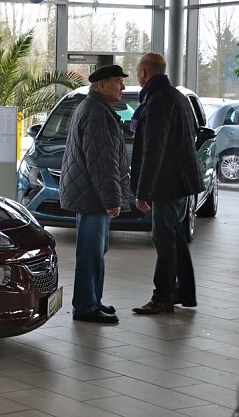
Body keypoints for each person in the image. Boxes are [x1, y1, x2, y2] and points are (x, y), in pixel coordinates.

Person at [130, 53, 204, 315]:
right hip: (180, 182)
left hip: (166, 185)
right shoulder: (178, 97)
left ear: (144, 74)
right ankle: (184, 290)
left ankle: (162, 297)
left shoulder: (158, 99)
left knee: (163, 239)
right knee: (175, 237)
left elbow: (154, 150)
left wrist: (143, 191)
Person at [59, 64, 130, 324]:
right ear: (100, 85)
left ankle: (93, 301)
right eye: (117, 81)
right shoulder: (97, 112)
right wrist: (111, 199)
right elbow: (102, 162)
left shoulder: (95, 108)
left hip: (89, 194)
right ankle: (86, 306)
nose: (122, 87)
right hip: (92, 197)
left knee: (96, 249)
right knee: (91, 251)